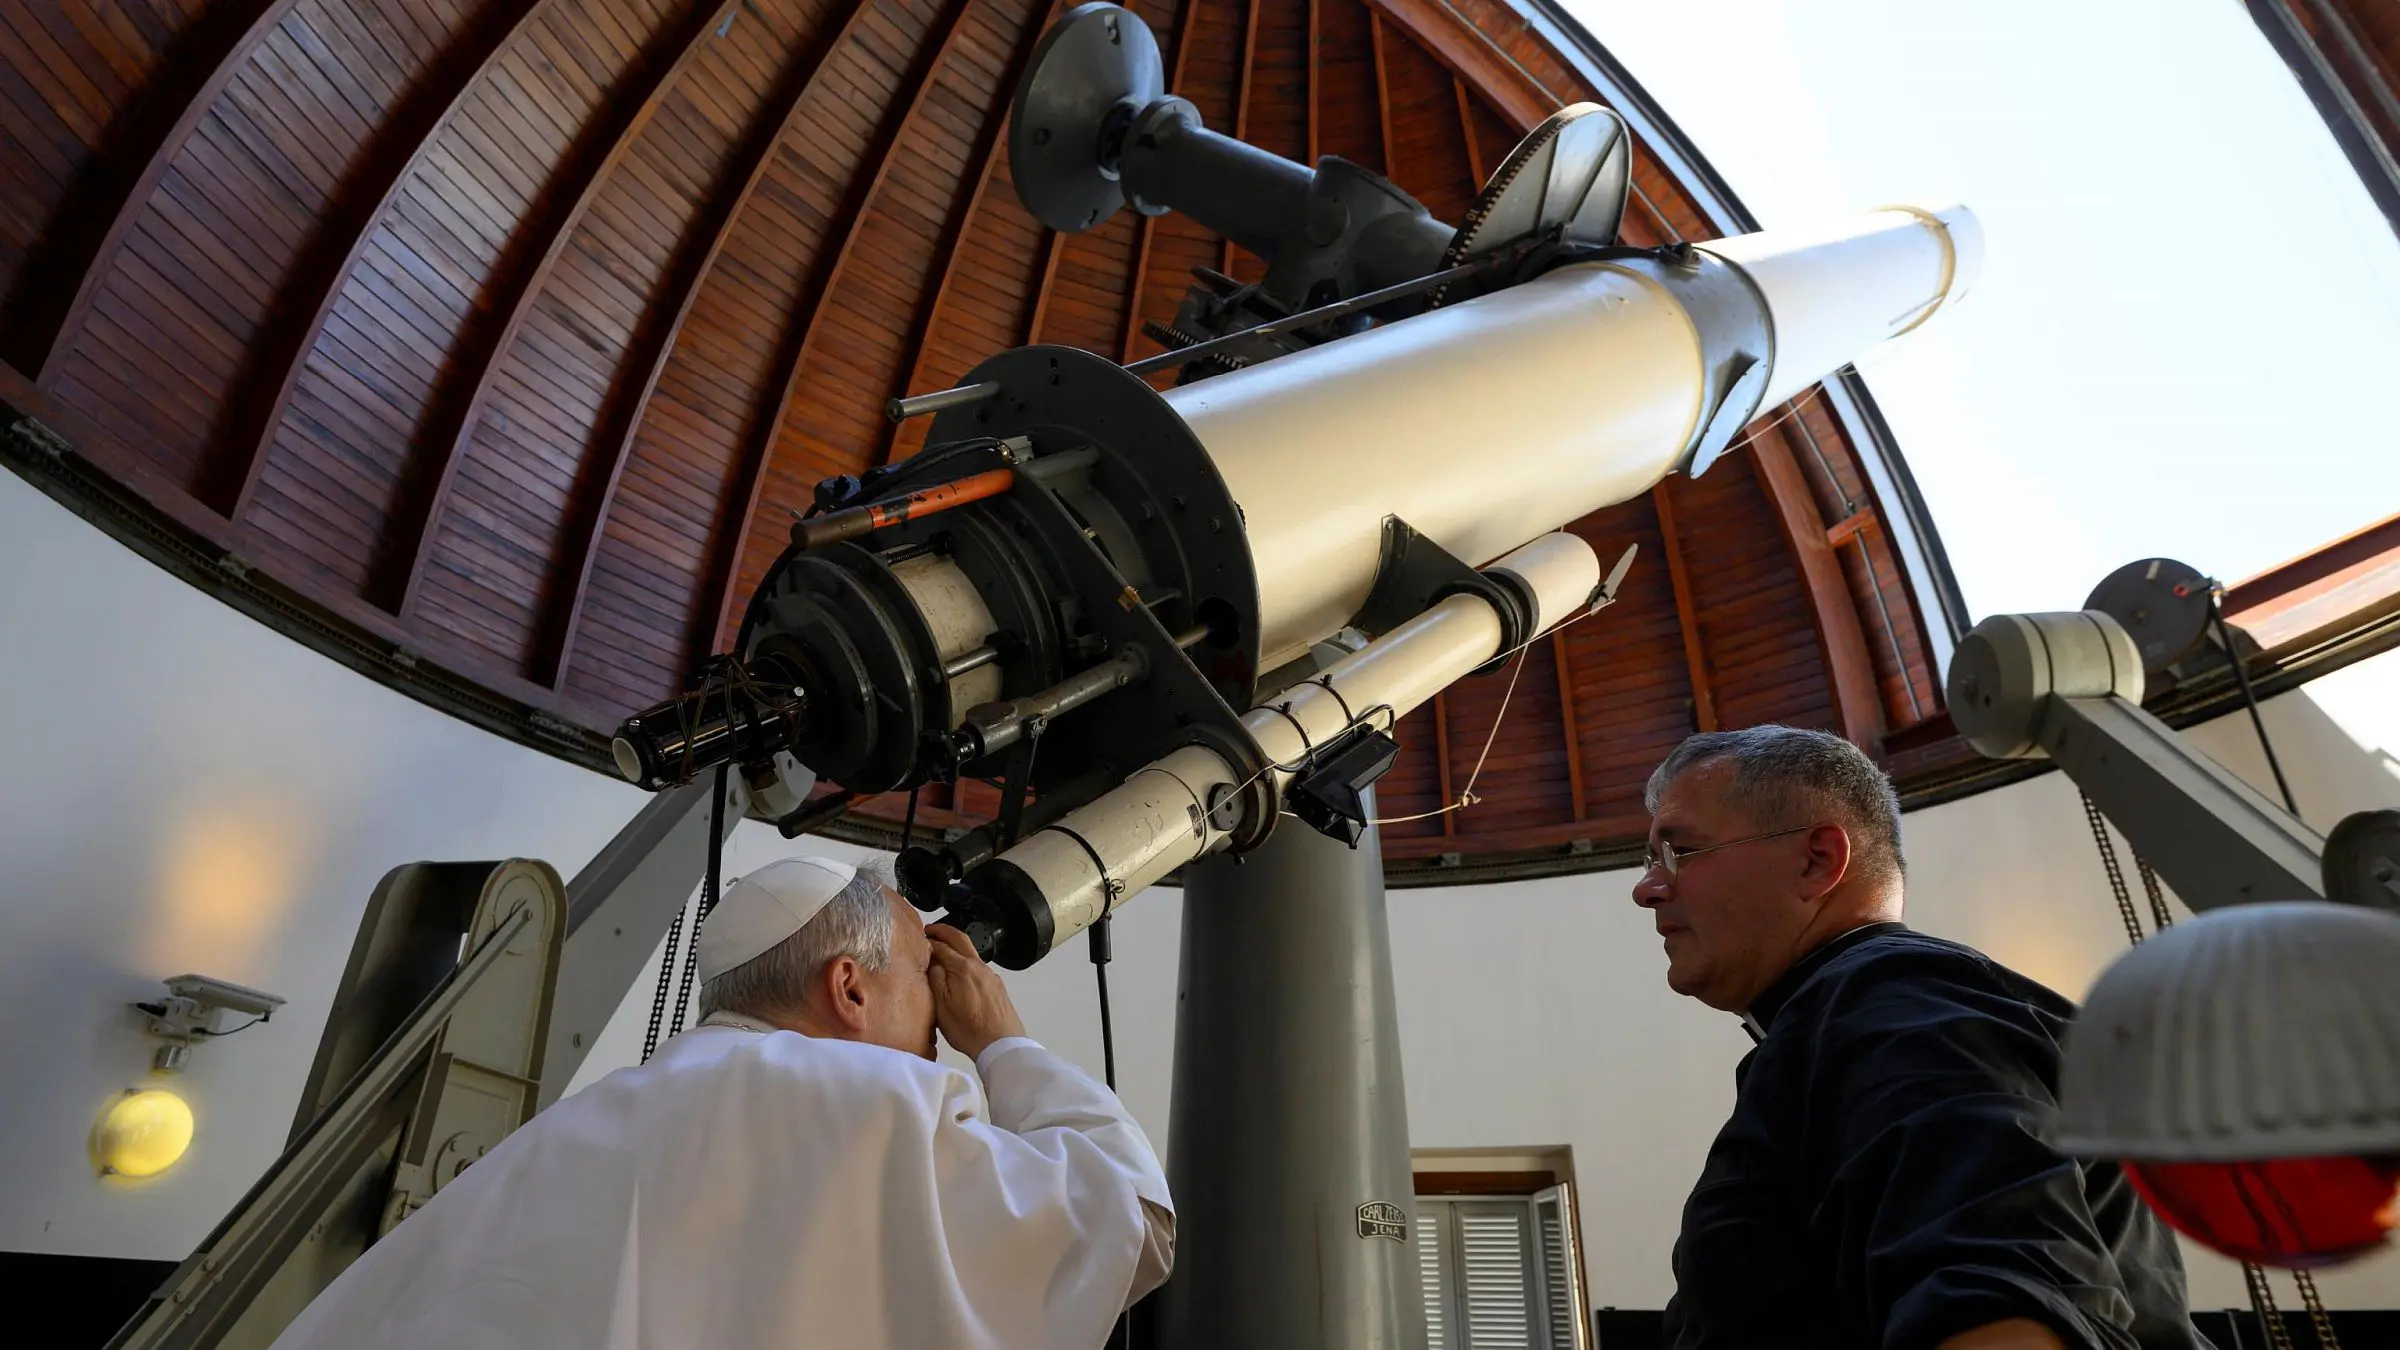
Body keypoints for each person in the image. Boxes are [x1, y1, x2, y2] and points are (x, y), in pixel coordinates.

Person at [273, 855, 1171, 1349]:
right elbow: (1133, 1219)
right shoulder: (882, 1099)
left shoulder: (589, 1120)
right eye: (925, 978)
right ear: (850, 990)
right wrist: (1003, 1038)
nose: (939, 1012)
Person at [1633, 726, 2205, 1350]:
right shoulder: (1850, 1016)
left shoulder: (1887, 995)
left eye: (1679, 852)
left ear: (1817, 859)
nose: (1647, 889)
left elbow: (2004, 1304)